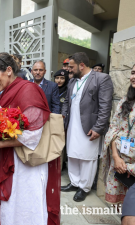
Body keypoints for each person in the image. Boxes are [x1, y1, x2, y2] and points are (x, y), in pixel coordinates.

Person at [0, 53, 60, 225]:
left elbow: (33, 135)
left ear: (9, 70)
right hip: (13, 158)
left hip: (27, 164)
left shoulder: (28, 90)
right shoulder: (7, 91)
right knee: (12, 206)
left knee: (27, 205)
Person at [61, 52, 114, 202]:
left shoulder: (101, 79)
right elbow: (66, 102)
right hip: (72, 124)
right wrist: (63, 118)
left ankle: (84, 188)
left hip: (89, 126)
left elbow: (105, 106)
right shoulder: (72, 81)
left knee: (87, 157)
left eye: (71, 67)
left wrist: (98, 128)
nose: (68, 70)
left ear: (82, 65)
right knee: (72, 154)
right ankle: (74, 182)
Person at [101, 64, 135, 205]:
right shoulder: (125, 100)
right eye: (133, 72)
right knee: (123, 207)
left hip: (132, 165)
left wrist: (129, 168)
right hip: (119, 161)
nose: (133, 77)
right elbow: (113, 128)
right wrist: (115, 157)